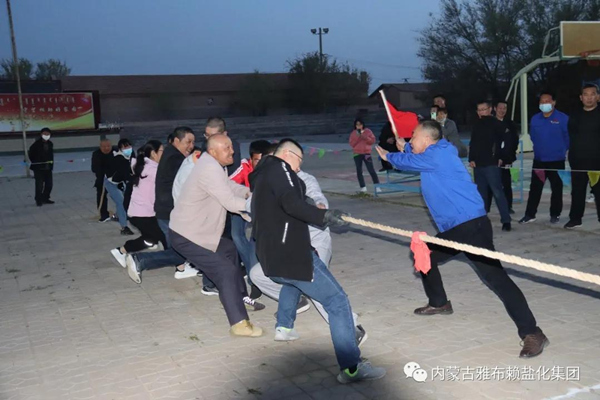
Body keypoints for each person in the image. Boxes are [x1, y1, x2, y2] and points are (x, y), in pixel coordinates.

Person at [376, 120, 547, 358]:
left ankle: (533, 333)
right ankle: (439, 302)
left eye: (413, 136)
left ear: (427, 139)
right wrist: (405, 146)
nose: (411, 139)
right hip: (457, 228)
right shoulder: (433, 153)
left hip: (471, 226)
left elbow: (411, 161)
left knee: (496, 279)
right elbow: (416, 155)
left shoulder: (440, 154)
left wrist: (389, 156)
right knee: (424, 255)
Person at [250, 138, 386, 384]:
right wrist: (324, 216)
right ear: (288, 154)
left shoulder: (262, 175)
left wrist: (317, 209)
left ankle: (285, 326)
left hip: (273, 258)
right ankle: (351, 368)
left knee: (294, 284)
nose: (299, 167)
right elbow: (292, 204)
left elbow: (283, 208)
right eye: (299, 160)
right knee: (337, 301)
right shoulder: (281, 169)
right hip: (291, 255)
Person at [248, 167, 368, 346]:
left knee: (320, 287)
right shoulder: (268, 182)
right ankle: (289, 317)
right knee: (258, 274)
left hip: (315, 242)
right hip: (287, 249)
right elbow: (249, 205)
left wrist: (319, 207)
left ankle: (352, 330)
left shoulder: (305, 180)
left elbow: (318, 199)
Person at [167, 134, 264, 336]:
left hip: (198, 232)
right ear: (213, 151)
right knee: (225, 270)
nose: (232, 151)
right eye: (227, 148)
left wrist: (247, 193)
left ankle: (238, 296)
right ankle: (239, 323)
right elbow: (229, 202)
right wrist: (258, 206)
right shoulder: (209, 168)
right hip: (187, 235)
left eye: (231, 146)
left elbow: (228, 186)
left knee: (229, 250)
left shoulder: (214, 165)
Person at [126, 127, 197, 281]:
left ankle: (181, 269)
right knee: (187, 248)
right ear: (177, 140)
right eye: (188, 142)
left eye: (193, 142)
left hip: (163, 211)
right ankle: (141, 260)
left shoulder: (170, 155)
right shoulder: (176, 159)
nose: (191, 146)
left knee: (179, 246)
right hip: (169, 211)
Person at [110, 141, 167, 267]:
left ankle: (122, 251)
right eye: (162, 151)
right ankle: (179, 265)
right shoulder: (152, 170)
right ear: (154, 153)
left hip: (141, 211)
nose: (164, 153)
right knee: (160, 236)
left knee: (154, 238)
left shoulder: (145, 165)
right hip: (142, 213)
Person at [229, 139, 271, 300]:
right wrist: (245, 193)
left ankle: (256, 280)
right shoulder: (244, 167)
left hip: (263, 212)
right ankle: (251, 273)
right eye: (256, 160)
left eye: (263, 160)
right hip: (242, 206)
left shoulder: (274, 169)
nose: (259, 164)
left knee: (256, 241)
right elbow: (229, 183)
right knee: (236, 236)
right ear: (250, 158)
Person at [519, 92, 569, 225]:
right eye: (542, 101)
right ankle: (530, 214)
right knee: (535, 188)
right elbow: (533, 136)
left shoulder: (563, 118)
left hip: (556, 161)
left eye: (547, 101)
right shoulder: (535, 119)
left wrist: (561, 150)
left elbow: (568, 137)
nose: (544, 104)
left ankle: (555, 214)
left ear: (553, 102)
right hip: (539, 160)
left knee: (556, 189)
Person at [469, 100, 512, 231]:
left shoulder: (496, 124)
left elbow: (506, 141)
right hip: (478, 164)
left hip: (491, 164)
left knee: (498, 192)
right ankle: (481, 220)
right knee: (481, 194)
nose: (481, 112)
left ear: (489, 110)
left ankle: (506, 220)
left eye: (484, 109)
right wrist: (471, 158)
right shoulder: (476, 124)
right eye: (479, 110)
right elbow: (473, 143)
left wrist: (501, 157)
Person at [565, 83, 600, 229]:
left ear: (598, 96)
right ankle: (575, 219)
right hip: (578, 161)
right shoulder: (575, 115)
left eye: (592, 94)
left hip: (597, 162)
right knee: (577, 192)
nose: (589, 98)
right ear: (581, 97)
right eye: (586, 94)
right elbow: (572, 136)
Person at [104, 138, 134, 235]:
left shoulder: (131, 156)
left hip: (120, 182)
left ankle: (117, 216)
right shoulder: (119, 159)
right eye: (125, 147)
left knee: (126, 200)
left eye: (129, 146)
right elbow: (125, 174)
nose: (128, 149)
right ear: (120, 149)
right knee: (121, 202)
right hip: (111, 183)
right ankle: (124, 227)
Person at [494, 101, 520, 214]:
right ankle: (486, 206)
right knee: (490, 183)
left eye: (504, 108)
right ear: (495, 108)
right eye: (500, 108)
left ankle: (508, 206)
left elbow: (514, 142)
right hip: (492, 159)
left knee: (506, 183)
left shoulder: (510, 124)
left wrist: (509, 157)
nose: (502, 110)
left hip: (506, 159)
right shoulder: (490, 123)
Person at [349, 119, 381, 193]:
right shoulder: (353, 133)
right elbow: (352, 144)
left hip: (366, 153)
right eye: (357, 125)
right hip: (357, 154)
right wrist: (358, 137)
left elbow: (372, 141)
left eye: (360, 124)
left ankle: (377, 186)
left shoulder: (368, 131)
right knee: (359, 170)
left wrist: (364, 136)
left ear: (363, 125)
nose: (359, 126)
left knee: (371, 169)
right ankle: (363, 187)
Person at [28, 127, 54, 206]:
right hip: (38, 168)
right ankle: (38, 199)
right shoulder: (36, 144)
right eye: (44, 134)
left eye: (48, 134)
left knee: (49, 184)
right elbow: (31, 154)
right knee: (39, 185)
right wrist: (36, 162)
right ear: (41, 134)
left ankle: (45, 198)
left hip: (48, 167)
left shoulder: (50, 144)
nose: (46, 135)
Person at [91, 137, 114, 222]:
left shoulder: (115, 152)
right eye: (104, 146)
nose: (106, 148)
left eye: (108, 146)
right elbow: (94, 168)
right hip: (102, 179)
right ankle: (103, 214)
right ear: (100, 146)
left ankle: (122, 213)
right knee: (101, 196)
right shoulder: (96, 154)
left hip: (116, 178)